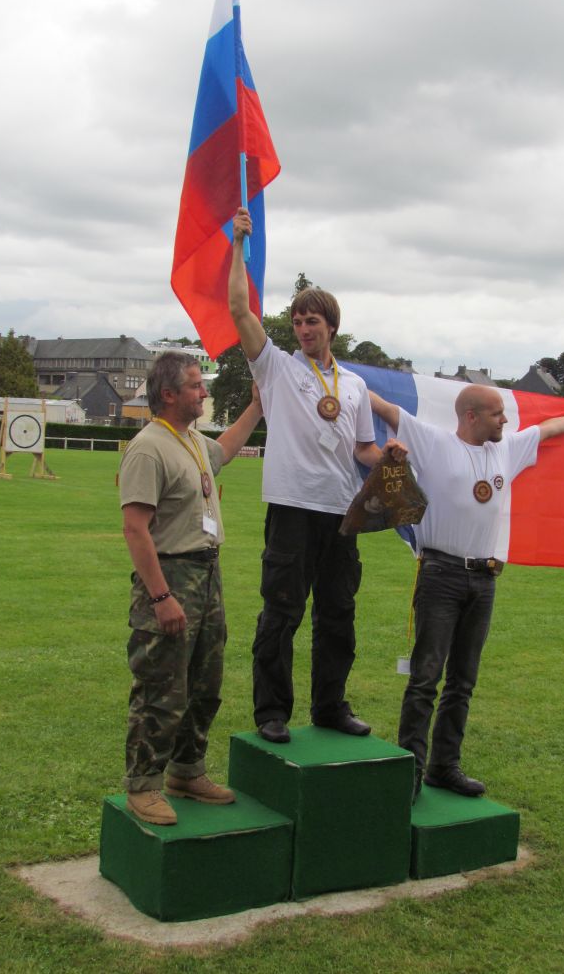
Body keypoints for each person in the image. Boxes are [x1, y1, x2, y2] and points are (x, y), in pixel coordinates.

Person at [228, 207, 406, 744]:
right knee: (280, 613)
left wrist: (392, 460)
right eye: (298, 322)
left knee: (339, 616)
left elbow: (364, 450)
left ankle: (331, 706)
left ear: (332, 328)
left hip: (341, 513)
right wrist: (237, 244)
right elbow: (239, 307)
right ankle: (271, 712)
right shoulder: (276, 367)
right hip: (290, 507)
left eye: (313, 322)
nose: (303, 329)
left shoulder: (350, 385)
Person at [369, 384, 564, 799]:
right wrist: (336, 375)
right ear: (471, 416)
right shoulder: (435, 443)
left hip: (485, 579)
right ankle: (411, 772)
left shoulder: (506, 449)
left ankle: (444, 767)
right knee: (425, 678)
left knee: (463, 681)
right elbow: (385, 408)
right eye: (497, 414)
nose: (506, 421)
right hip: (440, 575)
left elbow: (547, 431)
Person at [119, 350, 262, 825]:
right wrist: (161, 598)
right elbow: (136, 530)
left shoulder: (192, 440)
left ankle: (186, 771)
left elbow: (224, 450)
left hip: (207, 574)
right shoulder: (148, 447)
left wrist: (257, 405)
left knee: (205, 682)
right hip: (171, 575)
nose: (204, 392)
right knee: (162, 686)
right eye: (197, 385)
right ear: (169, 394)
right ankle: (143, 785)